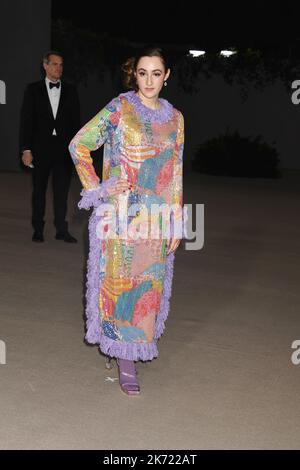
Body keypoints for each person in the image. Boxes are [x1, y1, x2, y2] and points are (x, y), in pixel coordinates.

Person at [69, 46, 184, 395]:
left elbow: (175, 170)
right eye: (142, 73)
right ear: (134, 74)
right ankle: (125, 362)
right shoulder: (120, 108)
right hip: (119, 215)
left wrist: (177, 218)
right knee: (120, 286)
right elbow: (79, 145)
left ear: (167, 76)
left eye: (156, 73)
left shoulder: (176, 118)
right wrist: (99, 187)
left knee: (148, 285)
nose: (149, 80)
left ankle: (130, 349)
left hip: (156, 217)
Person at [20, 51, 80, 243]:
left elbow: (75, 123)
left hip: (63, 150)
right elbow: (26, 121)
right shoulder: (33, 90)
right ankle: (38, 228)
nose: (58, 68)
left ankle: (62, 230)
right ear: (45, 66)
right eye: (54, 64)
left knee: (62, 193)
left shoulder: (71, 90)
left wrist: (76, 150)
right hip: (40, 149)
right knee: (39, 191)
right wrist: (26, 149)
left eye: (61, 65)